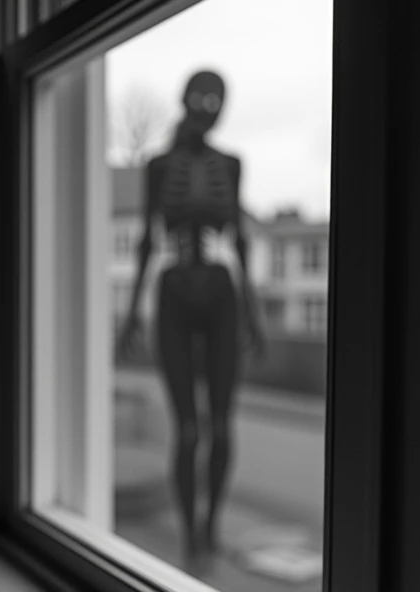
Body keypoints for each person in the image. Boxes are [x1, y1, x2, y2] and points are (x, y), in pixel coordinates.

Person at [116, 70, 264, 569]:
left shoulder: (233, 163)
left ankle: (211, 526)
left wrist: (255, 315)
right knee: (188, 429)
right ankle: (188, 537)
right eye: (200, 97)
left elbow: (241, 237)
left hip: (222, 292)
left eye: (216, 99)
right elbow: (145, 238)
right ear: (185, 101)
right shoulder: (158, 165)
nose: (207, 106)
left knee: (221, 426)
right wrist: (133, 311)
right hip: (175, 290)